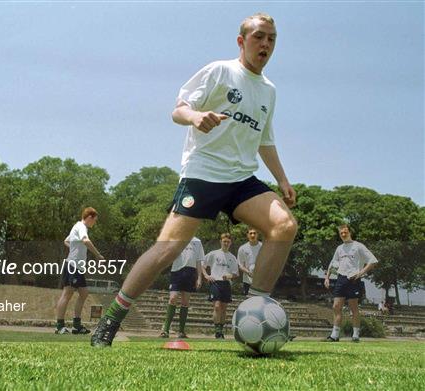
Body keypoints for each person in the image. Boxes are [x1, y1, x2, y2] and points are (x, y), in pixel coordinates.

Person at [91, 12, 297, 347]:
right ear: (241, 41)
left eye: (272, 38)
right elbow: (179, 109)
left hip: (242, 178)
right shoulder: (220, 71)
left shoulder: (269, 91)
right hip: (203, 173)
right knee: (166, 250)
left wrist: (283, 180)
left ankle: (253, 315)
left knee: (284, 226)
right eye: (259, 36)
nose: (266, 44)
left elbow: (264, 140)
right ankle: (112, 320)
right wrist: (196, 116)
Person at [324, 224, 378, 342]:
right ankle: (334, 335)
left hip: (353, 280)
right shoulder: (339, 248)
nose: (343, 235)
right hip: (341, 279)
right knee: (336, 306)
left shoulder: (358, 246)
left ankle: (356, 335)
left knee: (353, 308)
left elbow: (372, 261)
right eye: (341, 233)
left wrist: (360, 273)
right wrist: (327, 277)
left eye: (345, 232)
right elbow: (333, 263)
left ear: (350, 233)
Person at [55, 207, 104, 335]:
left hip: (79, 267)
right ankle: (59, 326)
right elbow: (85, 240)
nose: (95, 223)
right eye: (94, 220)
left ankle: (77, 325)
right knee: (67, 294)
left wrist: (75, 247)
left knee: (84, 293)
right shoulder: (81, 226)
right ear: (89, 217)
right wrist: (98, 255)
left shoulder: (78, 227)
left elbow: (67, 241)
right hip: (72, 265)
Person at [159, 236, 204, 339]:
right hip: (177, 272)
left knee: (185, 302)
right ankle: (165, 330)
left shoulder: (197, 241)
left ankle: (181, 331)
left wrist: (199, 278)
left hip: (190, 273)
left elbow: (198, 261)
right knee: (173, 298)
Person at [203, 233, 239, 339]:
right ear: (221, 242)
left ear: (230, 243)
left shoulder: (232, 257)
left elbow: (236, 273)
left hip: (226, 284)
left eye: (228, 242)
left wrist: (230, 275)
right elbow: (202, 265)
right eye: (224, 241)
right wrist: (207, 276)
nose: (226, 243)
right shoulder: (214, 254)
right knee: (217, 306)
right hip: (215, 282)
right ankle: (217, 331)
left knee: (223, 308)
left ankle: (221, 331)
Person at [237, 227, 262, 296]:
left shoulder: (263, 247)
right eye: (250, 233)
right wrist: (249, 272)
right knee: (249, 302)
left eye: (254, 233)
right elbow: (240, 265)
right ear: (247, 235)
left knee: (260, 302)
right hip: (247, 281)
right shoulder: (242, 248)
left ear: (257, 235)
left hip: (260, 280)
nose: (252, 235)